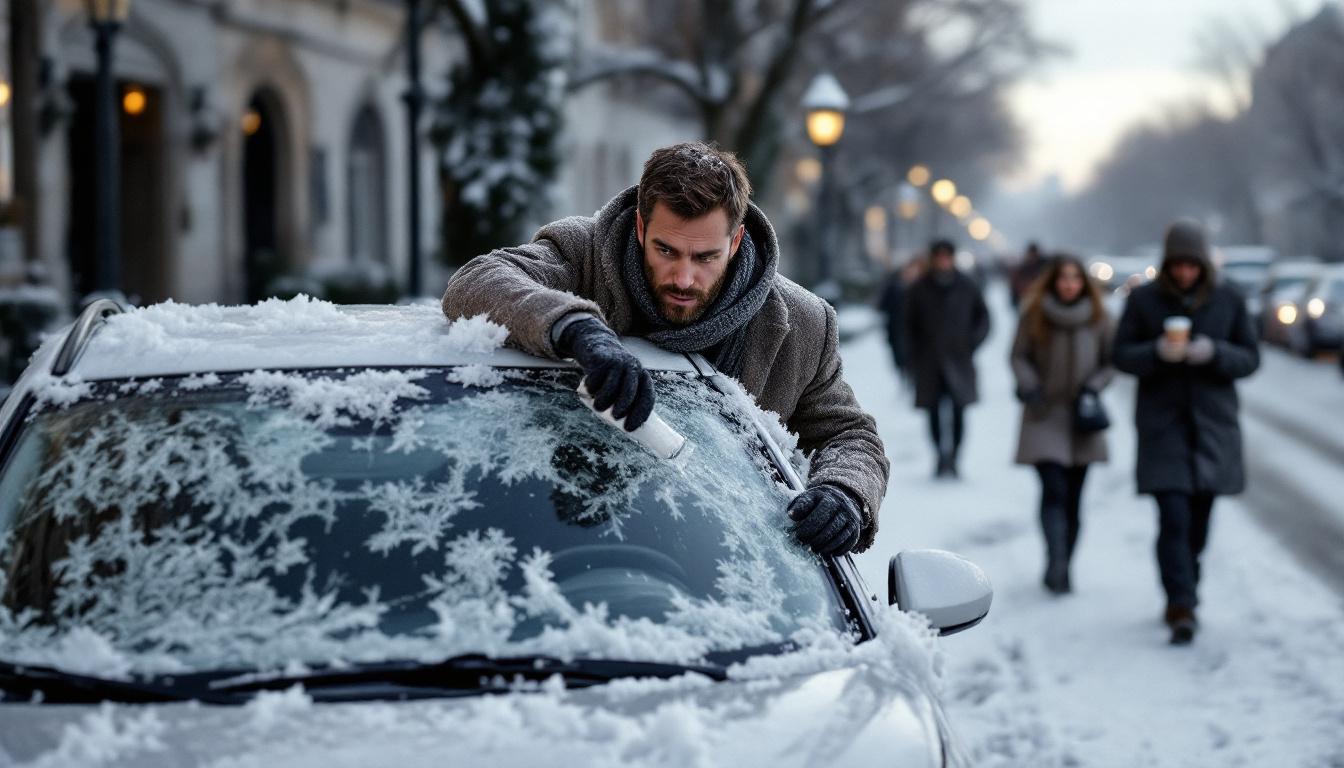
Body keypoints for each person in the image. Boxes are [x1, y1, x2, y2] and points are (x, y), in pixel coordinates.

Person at [441, 142, 889, 556]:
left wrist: (844, 493)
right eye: (666, 250)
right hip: (556, 529)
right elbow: (477, 281)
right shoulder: (583, 254)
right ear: (640, 226)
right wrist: (577, 329)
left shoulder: (802, 325)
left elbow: (851, 437)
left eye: (705, 257)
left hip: (724, 555)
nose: (683, 277)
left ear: (735, 242)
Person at [1113, 220, 1260, 645]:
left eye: (1191, 265)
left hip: (1213, 428)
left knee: (1198, 523)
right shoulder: (1143, 300)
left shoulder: (1229, 299)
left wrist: (1214, 353)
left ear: (1203, 264)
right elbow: (1121, 355)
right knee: (1172, 517)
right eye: (1176, 265)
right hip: (1163, 428)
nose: (1183, 273)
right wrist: (1156, 352)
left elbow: (1251, 359)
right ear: (1166, 263)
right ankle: (1181, 604)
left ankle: (1186, 585)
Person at [1010, 254, 1114, 595]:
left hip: (1082, 416)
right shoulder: (1035, 313)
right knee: (1053, 488)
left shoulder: (1099, 317)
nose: (1069, 284)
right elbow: (1018, 355)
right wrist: (1028, 384)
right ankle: (1055, 561)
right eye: (1063, 278)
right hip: (1044, 414)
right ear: (1053, 281)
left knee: (1073, 498)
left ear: (1084, 283)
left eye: (1075, 278)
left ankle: (1066, 564)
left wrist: (1094, 387)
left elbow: (1110, 362)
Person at [902, 239, 990, 478]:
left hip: (959, 360)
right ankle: (940, 456)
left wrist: (971, 343)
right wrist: (912, 355)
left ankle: (955, 457)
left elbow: (983, 318)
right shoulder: (919, 288)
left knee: (959, 412)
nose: (943, 261)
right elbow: (907, 324)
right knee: (933, 413)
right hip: (929, 362)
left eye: (947, 256)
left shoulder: (967, 285)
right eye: (938, 256)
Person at [1010, 242, 1047, 309]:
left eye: (1033, 255)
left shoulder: (1045, 268)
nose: (1032, 257)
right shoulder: (1022, 270)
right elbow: (1015, 286)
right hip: (1026, 304)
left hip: (1042, 304)